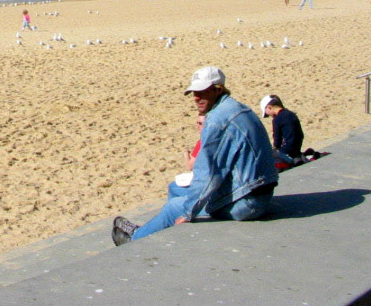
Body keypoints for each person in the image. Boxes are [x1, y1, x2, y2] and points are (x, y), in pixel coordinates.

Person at [111, 66, 277, 245]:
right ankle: (175, 234)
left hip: (250, 202)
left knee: (174, 208)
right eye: (194, 93)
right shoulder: (238, 108)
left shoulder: (217, 120)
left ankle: (135, 238)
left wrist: (188, 212)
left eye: (202, 92)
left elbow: (209, 175)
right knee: (175, 188)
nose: (196, 98)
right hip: (257, 191)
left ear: (217, 89)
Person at [167, 113, 205, 199]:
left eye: (200, 124)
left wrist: (186, 154)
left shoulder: (202, 143)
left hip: (203, 185)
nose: (198, 126)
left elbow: (190, 166)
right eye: (197, 123)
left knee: (172, 187)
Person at [260, 95, 305, 168]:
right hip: (298, 145)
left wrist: (275, 149)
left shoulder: (277, 119)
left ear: (269, 107)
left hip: (288, 148)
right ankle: (296, 157)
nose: (269, 116)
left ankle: (289, 160)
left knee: (270, 155)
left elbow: (277, 141)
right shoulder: (290, 113)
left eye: (267, 114)